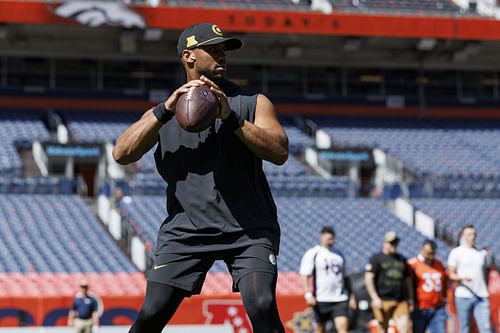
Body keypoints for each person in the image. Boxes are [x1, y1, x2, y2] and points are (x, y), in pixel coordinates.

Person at [112, 22, 289, 333]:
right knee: (150, 315)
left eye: (225, 50)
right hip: (187, 230)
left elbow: (279, 152)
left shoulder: (252, 103)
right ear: (189, 57)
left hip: (248, 228)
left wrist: (230, 117)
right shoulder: (162, 114)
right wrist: (165, 110)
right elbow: (122, 153)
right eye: (214, 49)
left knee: (262, 305)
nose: (222, 56)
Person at [300, 226, 356, 333]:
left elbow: (345, 277)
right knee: (320, 328)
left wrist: (351, 296)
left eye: (332, 235)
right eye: (327, 235)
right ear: (321, 236)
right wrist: (308, 294)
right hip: (321, 298)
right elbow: (304, 275)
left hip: (340, 298)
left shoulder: (339, 254)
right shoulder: (313, 253)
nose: (330, 238)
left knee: (343, 326)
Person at [364, 231, 413, 333]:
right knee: (382, 328)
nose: (394, 245)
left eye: (395, 243)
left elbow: (408, 281)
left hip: (400, 300)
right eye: (391, 243)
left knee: (405, 328)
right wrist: (374, 298)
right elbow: (368, 279)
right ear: (385, 243)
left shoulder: (401, 259)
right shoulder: (376, 259)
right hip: (383, 299)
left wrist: (410, 298)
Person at [447, 224, 493, 333]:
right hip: (464, 296)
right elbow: (450, 274)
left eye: (474, 234)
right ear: (463, 236)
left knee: (486, 328)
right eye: (469, 234)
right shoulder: (456, 252)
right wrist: (462, 278)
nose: (473, 237)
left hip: (481, 296)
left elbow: (486, 274)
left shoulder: (481, 253)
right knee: (464, 328)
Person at [408, 239, 447, 333]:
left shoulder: (439, 264)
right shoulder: (413, 264)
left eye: (432, 253)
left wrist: (444, 298)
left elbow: (444, 282)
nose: (430, 256)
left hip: (437, 308)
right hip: (420, 308)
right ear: (422, 250)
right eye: (428, 253)